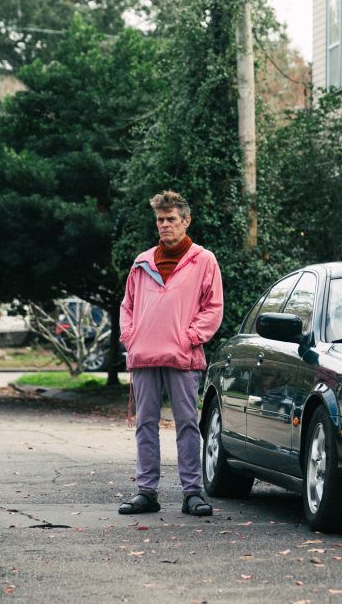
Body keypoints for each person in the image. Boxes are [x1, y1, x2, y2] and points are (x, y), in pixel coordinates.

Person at [118, 191, 224, 517]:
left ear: (186, 221)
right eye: (160, 220)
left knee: (188, 424)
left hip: (182, 356)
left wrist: (190, 338)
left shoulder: (203, 260)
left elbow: (213, 308)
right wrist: (130, 338)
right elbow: (128, 307)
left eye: (171, 219)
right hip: (144, 356)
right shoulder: (142, 262)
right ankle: (146, 493)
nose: (164, 225)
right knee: (145, 424)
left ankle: (192, 493)